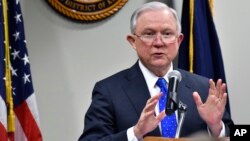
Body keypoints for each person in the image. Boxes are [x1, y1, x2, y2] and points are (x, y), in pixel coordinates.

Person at [78, 1, 234, 141]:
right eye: (149, 34)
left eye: (167, 34)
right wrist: (136, 132)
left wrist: (216, 127)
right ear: (133, 41)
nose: (159, 43)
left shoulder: (204, 87)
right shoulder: (108, 90)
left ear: (179, 40)